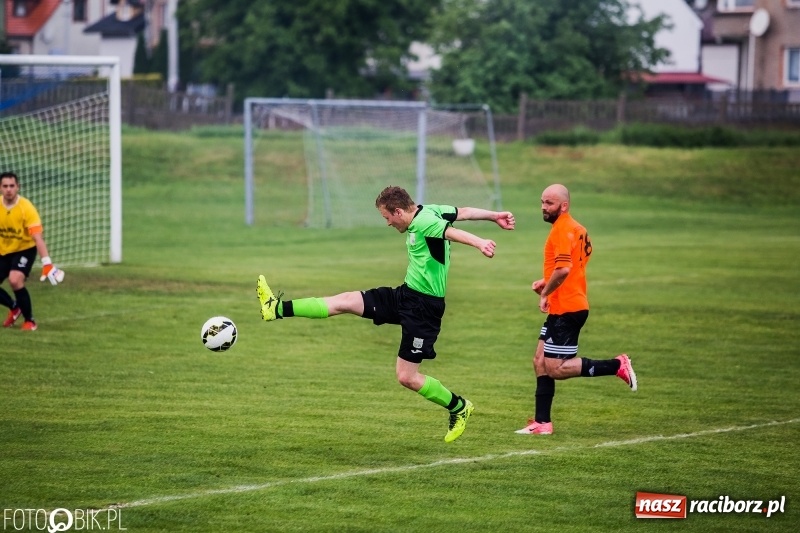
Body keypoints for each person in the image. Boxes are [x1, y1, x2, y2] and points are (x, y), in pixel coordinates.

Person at [257, 185, 515, 443]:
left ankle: (459, 407)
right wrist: (495, 216)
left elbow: (452, 232)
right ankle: (275, 308)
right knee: (346, 301)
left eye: (387, 217)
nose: (388, 223)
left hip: (424, 310)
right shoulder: (431, 210)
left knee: (407, 377)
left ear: (399, 211)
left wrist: (480, 242)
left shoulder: (425, 222)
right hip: (405, 295)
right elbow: (464, 212)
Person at [515, 183, 636, 435]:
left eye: (549, 203)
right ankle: (542, 423)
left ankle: (616, 365)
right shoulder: (577, 229)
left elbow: (564, 269)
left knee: (556, 369)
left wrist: (545, 293)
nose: (543, 207)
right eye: (542, 202)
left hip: (567, 308)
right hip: (565, 304)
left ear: (564, 205)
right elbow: (573, 267)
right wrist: (547, 282)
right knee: (540, 361)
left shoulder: (562, 229)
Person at [1, 172, 64, 331]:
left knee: (15, 280)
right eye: (5, 186)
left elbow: (38, 238)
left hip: (24, 250)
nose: (8, 189)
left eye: (12, 186)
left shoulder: (26, 208)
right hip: (4, 250)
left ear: (18, 187)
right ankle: (14, 307)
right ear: (0, 188)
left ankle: (30, 321)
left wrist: (47, 263)